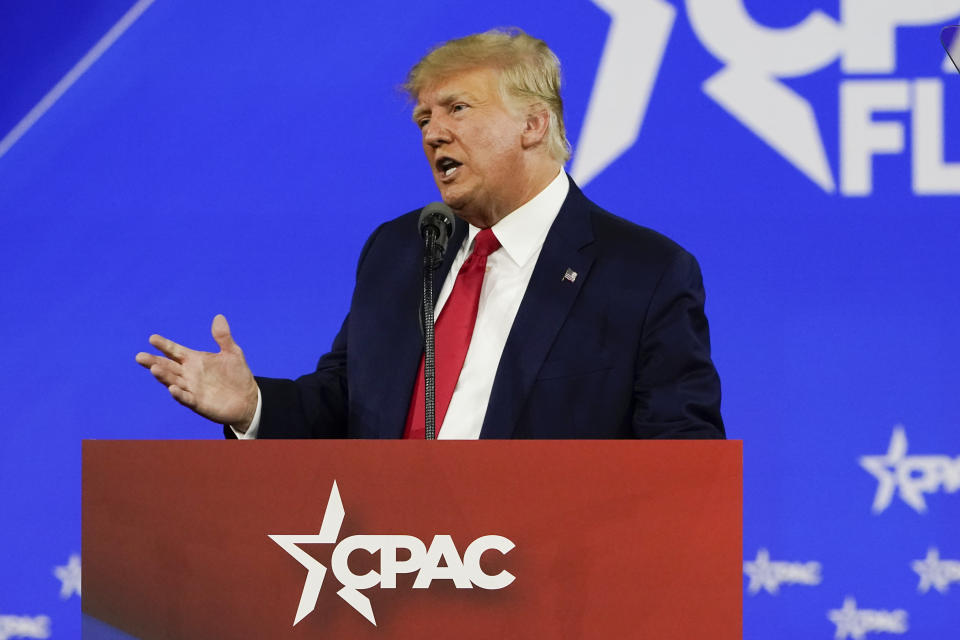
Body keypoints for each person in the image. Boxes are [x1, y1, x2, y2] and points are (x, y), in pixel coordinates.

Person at [136, 29, 724, 440]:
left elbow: (680, 453)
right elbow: (345, 403)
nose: (434, 133)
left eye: (457, 109)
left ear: (534, 124)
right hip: (392, 576)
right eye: (424, 119)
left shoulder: (642, 272)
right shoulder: (400, 249)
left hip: (551, 587)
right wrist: (252, 406)